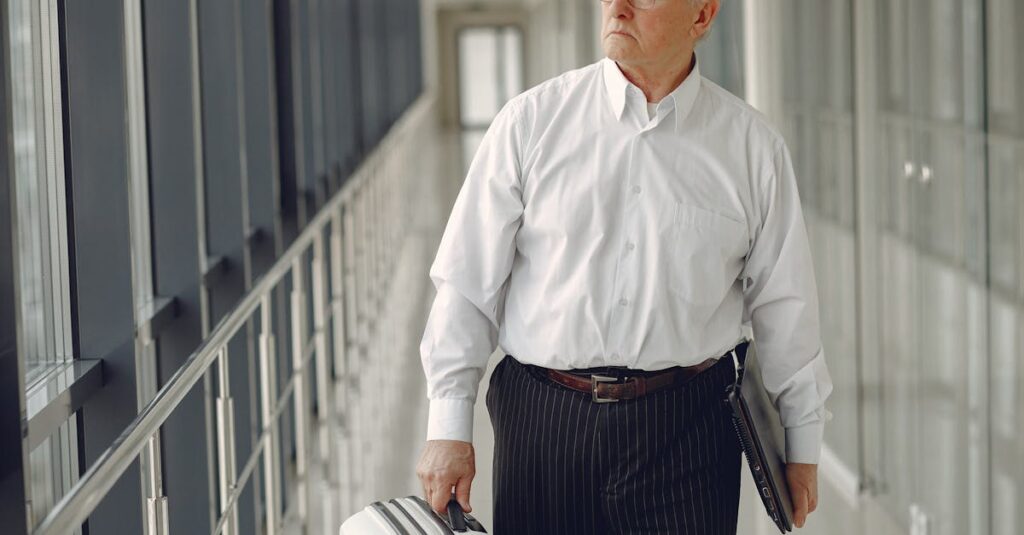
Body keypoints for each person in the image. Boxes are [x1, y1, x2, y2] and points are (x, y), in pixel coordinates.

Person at [416, 0, 834, 532]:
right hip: (545, 423)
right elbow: (466, 285)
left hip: (687, 432)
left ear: (702, 16)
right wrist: (448, 425)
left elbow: (786, 308)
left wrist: (802, 443)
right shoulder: (531, 123)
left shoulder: (753, 150)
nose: (617, 7)